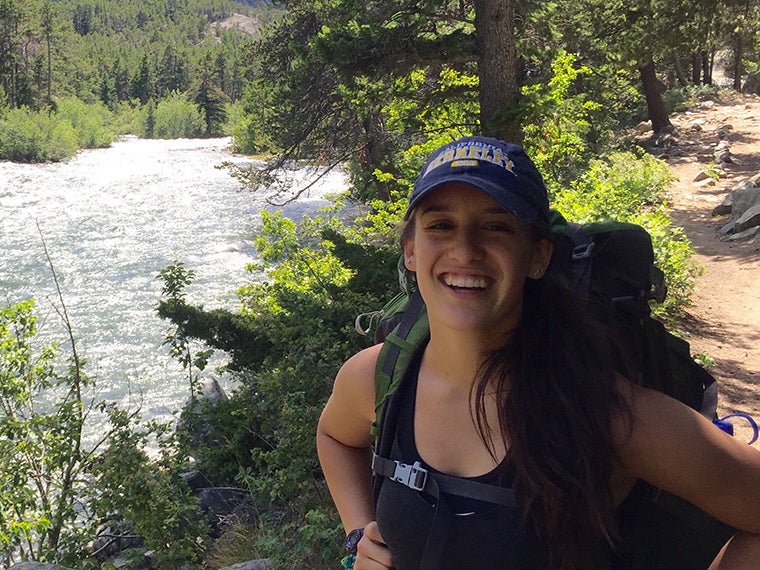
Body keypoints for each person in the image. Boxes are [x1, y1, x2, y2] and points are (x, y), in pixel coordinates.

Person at [316, 136, 760, 569]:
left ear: (538, 257)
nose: (465, 249)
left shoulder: (600, 412)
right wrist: (359, 534)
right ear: (411, 251)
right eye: (440, 225)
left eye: (496, 226)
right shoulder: (378, 376)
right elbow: (335, 437)